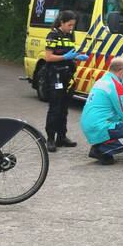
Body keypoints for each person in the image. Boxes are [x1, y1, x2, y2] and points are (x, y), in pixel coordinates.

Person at [42, 10, 88, 152]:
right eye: (69, 25)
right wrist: (65, 57)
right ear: (62, 22)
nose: (71, 28)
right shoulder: (53, 35)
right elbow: (48, 57)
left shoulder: (70, 35)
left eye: (73, 25)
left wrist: (77, 56)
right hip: (55, 74)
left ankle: (61, 137)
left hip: (66, 74)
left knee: (64, 108)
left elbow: (69, 53)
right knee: (55, 108)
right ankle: (50, 139)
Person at [80, 57, 123, 164]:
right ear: (121, 72)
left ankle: (100, 145)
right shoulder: (116, 85)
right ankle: (102, 150)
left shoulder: (101, 80)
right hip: (101, 125)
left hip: (89, 123)